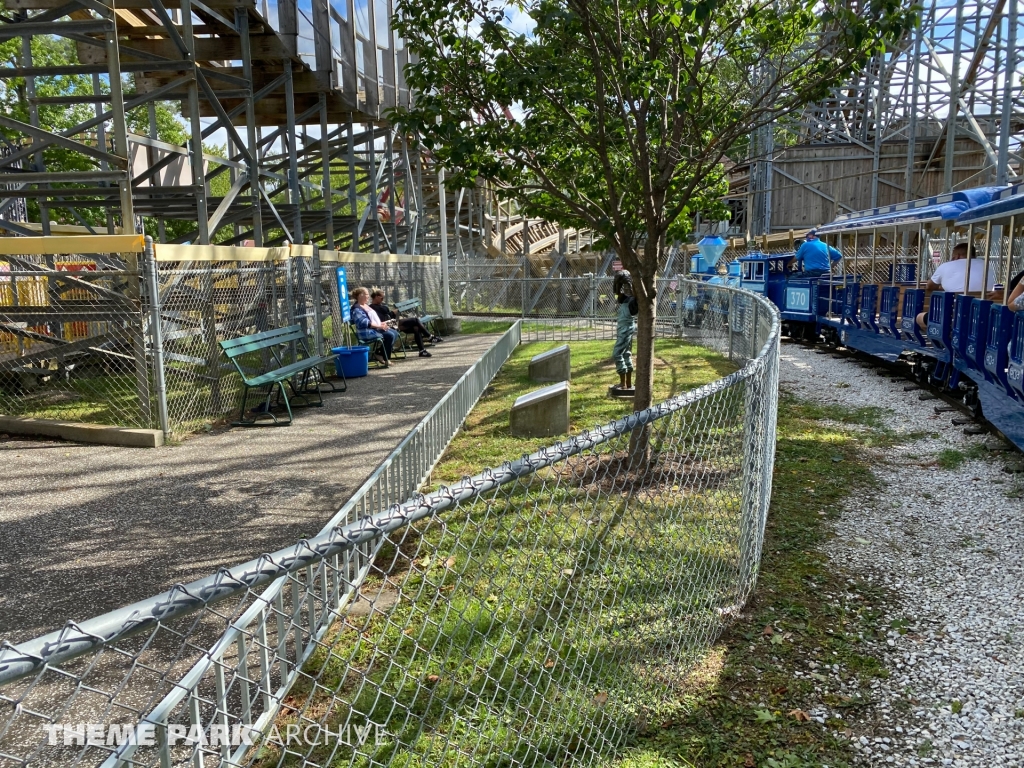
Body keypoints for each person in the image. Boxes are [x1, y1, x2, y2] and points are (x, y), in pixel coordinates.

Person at [915, 243, 997, 329]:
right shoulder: (987, 265)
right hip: (984, 315)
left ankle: (940, 340)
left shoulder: (946, 266)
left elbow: (929, 287)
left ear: (957, 256)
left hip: (953, 316)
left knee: (919, 317)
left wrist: (940, 287)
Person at [369, 289, 441, 357]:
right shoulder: (372, 307)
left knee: (416, 327)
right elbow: (383, 318)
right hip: (387, 325)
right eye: (382, 298)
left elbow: (387, 315)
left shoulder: (380, 306)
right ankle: (430, 337)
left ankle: (422, 351)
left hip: (392, 323)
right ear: (376, 297)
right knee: (415, 320)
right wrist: (392, 313)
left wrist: (392, 313)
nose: (383, 300)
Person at [351, 286, 400, 366]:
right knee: (390, 335)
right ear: (360, 295)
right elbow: (365, 323)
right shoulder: (357, 309)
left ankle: (379, 353)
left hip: (374, 328)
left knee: (395, 333)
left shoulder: (365, 305)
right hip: (367, 332)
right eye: (366, 294)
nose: (368, 296)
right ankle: (386, 359)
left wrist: (381, 323)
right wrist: (380, 326)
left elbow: (373, 319)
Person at [610, 269, 636, 395]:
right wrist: (618, 283)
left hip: (626, 331)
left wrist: (631, 283)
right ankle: (628, 384)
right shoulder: (624, 299)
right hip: (623, 330)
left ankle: (623, 383)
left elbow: (634, 295)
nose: (625, 289)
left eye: (626, 287)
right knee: (626, 354)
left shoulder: (633, 301)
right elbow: (617, 294)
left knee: (617, 354)